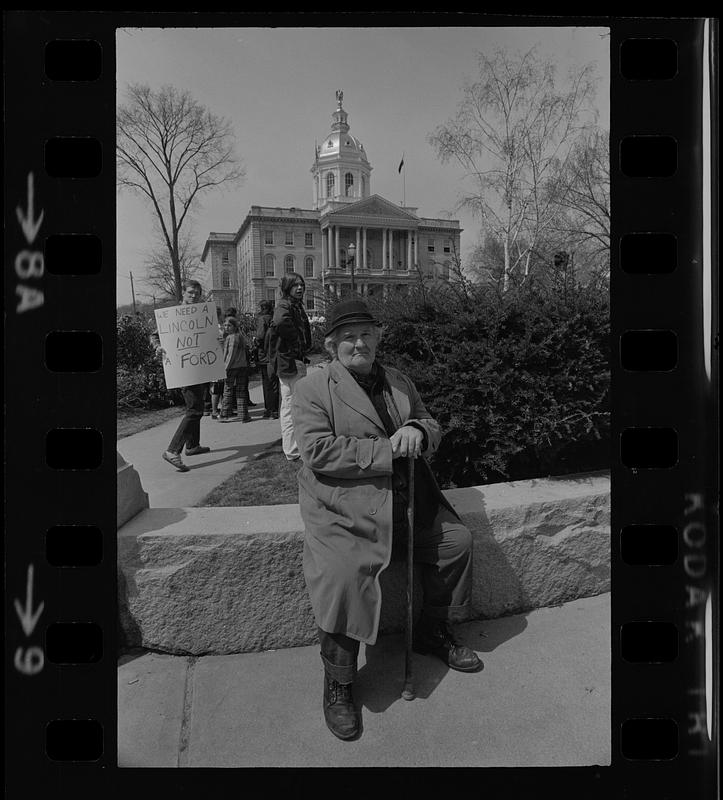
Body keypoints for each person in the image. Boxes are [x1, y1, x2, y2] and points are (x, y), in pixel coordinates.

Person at [292, 299, 483, 741]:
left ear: (378, 338)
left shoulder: (399, 382)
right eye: (348, 336)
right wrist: (388, 450)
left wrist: (419, 430)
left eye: (366, 334)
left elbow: (431, 423)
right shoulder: (313, 389)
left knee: (456, 542)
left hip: (406, 503)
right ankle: (339, 681)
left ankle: (432, 631)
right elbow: (317, 452)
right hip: (345, 511)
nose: (359, 342)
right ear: (331, 344)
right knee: (343, 575)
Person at [155, 280, 211, 472]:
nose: (193, 296)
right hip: (183, 368)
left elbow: (209, 338)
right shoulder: (173, 316)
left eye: (197, 293)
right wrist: (157, 346)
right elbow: (155, 335)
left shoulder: (203, 314)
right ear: (183, 294)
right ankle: (172, 450)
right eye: (190, 293)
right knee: (195, 410)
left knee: (197, 405)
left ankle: (193, 446)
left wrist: (217, 339)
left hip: (200, 367)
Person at [267, 272, 311, 460]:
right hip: (289, 362)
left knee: (296, 404)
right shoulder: (284, 305)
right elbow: (280, 322)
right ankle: (292, 450)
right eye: (295, 285)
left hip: (293, 360)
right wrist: (296, 343)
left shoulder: (294, 305)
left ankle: (295, 447)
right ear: (287, 288)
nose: (300, 288)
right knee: (290, 406)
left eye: (301, 285)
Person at [219, 316, 252, 423]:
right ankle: (243, 415)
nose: (226, 327)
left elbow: (231, 355)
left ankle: (224, 414)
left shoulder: (232, 337)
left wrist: (225, 367)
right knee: (241, 391)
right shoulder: (240, 336)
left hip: (232, 367)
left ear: (234, 326)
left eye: (229, 325)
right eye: (225, 325)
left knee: (228, 390)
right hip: (242, 366)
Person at [254, 299, 279, 419]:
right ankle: (275, 409)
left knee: (267, 383)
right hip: (274, 353)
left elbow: (260, 336)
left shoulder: (262, 319)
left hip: (264, 354)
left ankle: (269, 409)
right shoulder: (274, 318)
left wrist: (256, 342)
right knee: (274, 382)